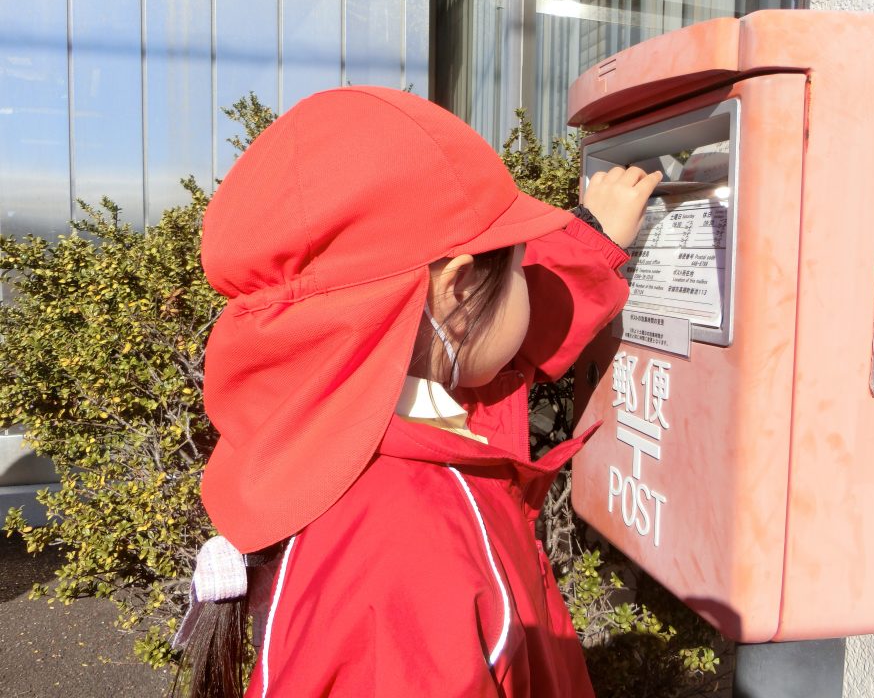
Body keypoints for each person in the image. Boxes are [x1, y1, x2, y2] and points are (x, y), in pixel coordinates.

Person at [173, 86, 661, 698]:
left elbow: (484, 341)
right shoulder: (410, 553)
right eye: (519, 264)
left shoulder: (322, 426)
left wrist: (588, 241)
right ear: (458, 287)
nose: (526, 282)